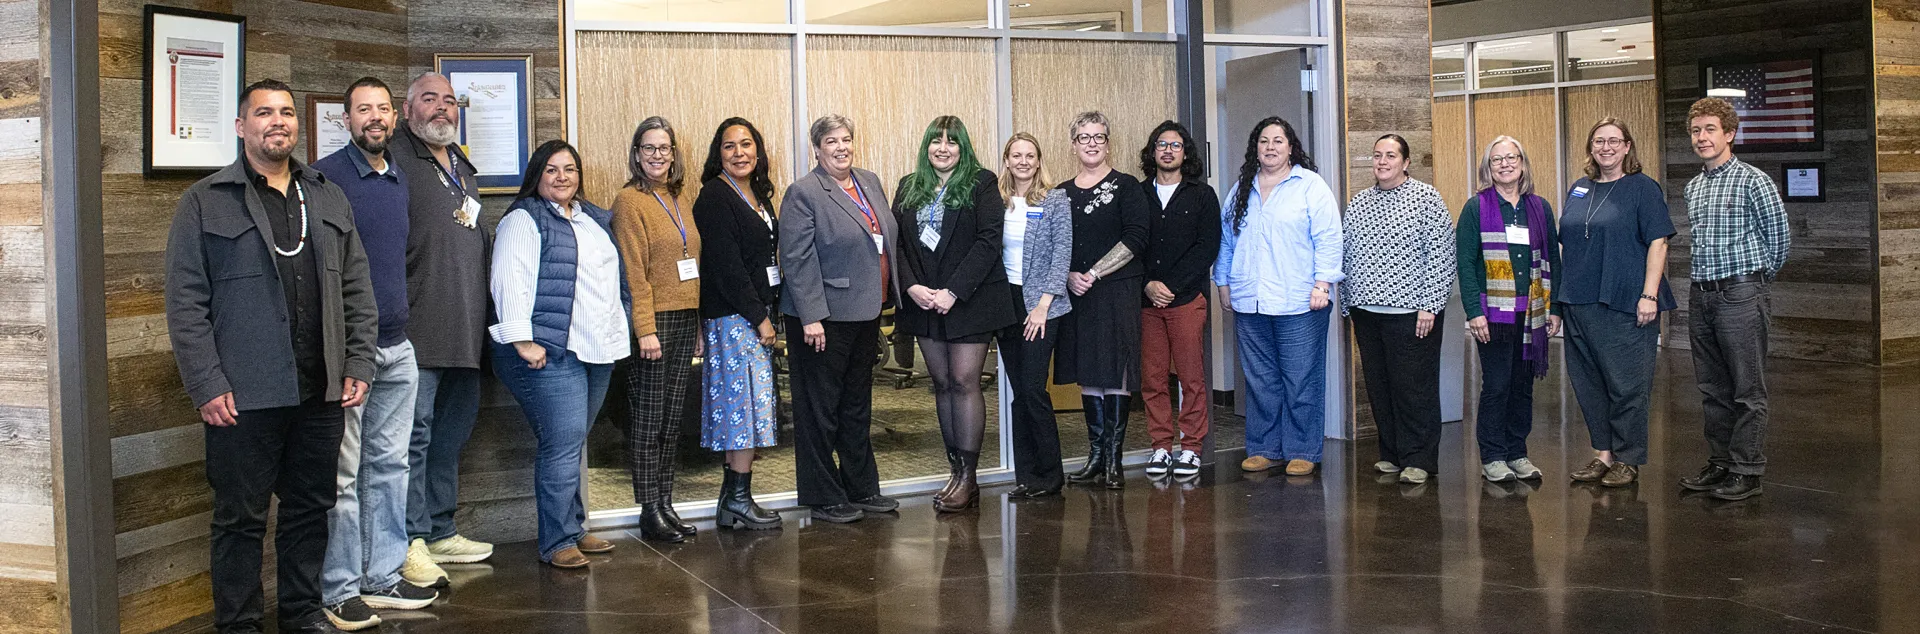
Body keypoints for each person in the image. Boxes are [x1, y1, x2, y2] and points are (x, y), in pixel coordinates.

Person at [165, 78, 378, 634]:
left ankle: (303, 611)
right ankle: (238, 624)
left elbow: (357, 287)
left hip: (321, 389)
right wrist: (206, 384)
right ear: (242, 127)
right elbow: (186, 303)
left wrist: (358, 363)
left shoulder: (328, 195)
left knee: (311, 509)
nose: (277, 121)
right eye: (263, 113)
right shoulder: (204, 201)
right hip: (243, 394)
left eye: (286, 112)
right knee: (240, 520)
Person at [311, 77, 439, 631]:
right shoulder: (325, 179)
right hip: (347, 354)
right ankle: (340, 588)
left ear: (396, 116)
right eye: (364, 110)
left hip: (398, 346)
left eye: (383, 109)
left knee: (390, 466)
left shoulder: (399, 178)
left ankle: (382, 576)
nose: (375, 118)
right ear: (346, 119)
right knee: (342, 477)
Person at [487, 140, 630, 568]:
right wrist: (521, 340)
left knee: (572, 442)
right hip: (548, 351)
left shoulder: (590, 219)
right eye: (551, 170)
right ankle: (557, 541)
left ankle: (574, 528)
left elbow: (609, 281)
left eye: (569, 169)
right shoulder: (524, 219)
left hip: (594, 347)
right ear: (537, 175)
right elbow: (508, 279)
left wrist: (619, 324)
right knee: (562, 444)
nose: (562, 177)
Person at [389, 72, 492, 584]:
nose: (441, 108)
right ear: (407, 110)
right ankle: (408, 540)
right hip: (417, 331)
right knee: (413, 437)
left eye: (449, 100)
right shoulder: (394, 161)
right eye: (429, 99)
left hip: (466, 330)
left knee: (450, 435)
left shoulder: (461, 165)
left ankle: (439, 528)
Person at [891, 116, 1018, 513]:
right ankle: (955, 471)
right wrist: (911, 287)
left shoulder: (981, 183)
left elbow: (988, 241)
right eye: (936, 141)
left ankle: (969, 477)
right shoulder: (909, 186)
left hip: (971, 300)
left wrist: (954, 291)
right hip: (924, 301)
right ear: (926, 145)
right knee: (942, 383)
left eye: (952, 142)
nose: (943, 148)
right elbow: (895, 244)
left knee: (964, 383)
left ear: (963, 147)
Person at [780, 114, 901, 523]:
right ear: (817, 148)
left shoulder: (869, 181)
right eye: (831, 141)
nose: (841, 147)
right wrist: (812, 316)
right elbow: (796, 259)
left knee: (855, 407)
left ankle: (861, 487)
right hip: (822, 319)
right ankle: (823, 495)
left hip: (865, 313)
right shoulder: (804, 192)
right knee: (820, 410)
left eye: (846, 139)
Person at [1216, 116, 1343, 477]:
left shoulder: (1310, 185)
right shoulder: (1242, 188)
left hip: (1300, 301)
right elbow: (1226, 240)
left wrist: (1323, 284)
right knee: (1260, 380)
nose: (1270, 147)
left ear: (1291, 147)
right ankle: (1265, 448)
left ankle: (1303, 449)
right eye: (1264, 141)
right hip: (1249, 299)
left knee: (1301, 379)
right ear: (1255, 148)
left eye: (1278, 141)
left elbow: (1329, 238)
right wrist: (1223, 283)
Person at [1675, 98, 1789, 501]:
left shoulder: (1752, 180)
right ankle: (1721, 462)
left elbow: (1779, 241)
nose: (1702, 137)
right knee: (1712, 387)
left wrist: (1753, 283)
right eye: (1695, 131)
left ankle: (1747, 469)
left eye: (1709, 129)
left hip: (1741, 292)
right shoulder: (1693, 187)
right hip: (1701, 294)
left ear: (1729, 133)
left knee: (1746, 388)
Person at [1559, 118, 1675, 488]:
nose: (1605, 147)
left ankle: (1628, 458)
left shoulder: (1643, 188)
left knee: (1627, 385)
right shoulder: (1580, 188)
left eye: (1613, 141)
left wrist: (1649, 294)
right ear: (1590, 147)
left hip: (1625, 301)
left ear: (1628, 147)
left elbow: (1659, 242)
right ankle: (1603, 455)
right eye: (1598, 141)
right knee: (1589, 383)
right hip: (1579, 300)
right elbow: (1569, 243)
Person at [1339, 134, 1454, 486]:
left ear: (1406, 162)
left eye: (1391, 155)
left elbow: (1441, 255)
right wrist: (1348, 304)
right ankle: (1391, 452)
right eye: (1377, 155)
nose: (1382, 161)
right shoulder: (1359, 203)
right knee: (1380, 385)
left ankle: (1419, 458)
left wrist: (1430, 305)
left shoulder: (1426, 199)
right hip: (1367, 312)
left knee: (1413, 388)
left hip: (1412, 312)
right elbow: (1345, 254)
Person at [611, 116, 702, 542]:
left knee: (671, 418)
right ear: (636, 154)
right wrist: (644, 329)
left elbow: (692, 264)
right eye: (649, 148)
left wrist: (698, 321)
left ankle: (666, 502)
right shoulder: (629, 201)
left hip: (685, 317)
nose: (658, 156)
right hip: (654, 322)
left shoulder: (680, 197)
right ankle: (648, 508)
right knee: (648, 419)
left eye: (665, 148)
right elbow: (633, 272)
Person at [693, 117, 784, 530]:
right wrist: (760, 318)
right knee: (741, 414)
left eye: (746, 144)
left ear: (758, 151)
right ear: (719, 154)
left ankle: (733, 500)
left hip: (753, 313)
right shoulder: (715, 196)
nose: (739, 153)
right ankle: (739, 501)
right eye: (729, 146)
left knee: (745, 411)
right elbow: (727, 268)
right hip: (735, 318)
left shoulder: (759, 194)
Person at [1054, 111, 1150, 490]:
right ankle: (1095, 457)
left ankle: (1114, 461)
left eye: (1099, 137)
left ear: (1109, 143)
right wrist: (1067, 276)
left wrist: (1094, 273)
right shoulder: (1060, 192)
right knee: (1089, 372)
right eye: (1084, 137)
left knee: (1116, 371)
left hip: (1117, 289)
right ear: (1073, 144)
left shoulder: (1127, 187)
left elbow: (1136, 237)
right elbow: (1053, 244)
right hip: (1076, 293)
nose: (1092, 143)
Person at [1457, 135, 1562, 483]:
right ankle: (1493, 456)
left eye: (1511, 157)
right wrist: (1474, 312)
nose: (1504, 164)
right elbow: (1466, 264)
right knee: (1497, 385)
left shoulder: (1539, 207)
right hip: (1494, 316)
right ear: (1488, 168)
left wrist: (1555, 308)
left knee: (1522, 386)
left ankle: (1517, 452)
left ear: (1522, 162)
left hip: (1532, 313)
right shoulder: (1477, 207)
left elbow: (1554, 261)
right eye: (1496, 159)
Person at [1136, 120, 1220, 479]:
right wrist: (1147, 284)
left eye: (1175, 145)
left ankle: (1190, 448)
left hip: (1186, 300)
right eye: (1161, 144)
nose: (1168, 150)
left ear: (1185, 153)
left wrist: (1168, 285)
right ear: (1152, 152)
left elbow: (1207, 247)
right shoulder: (1137, 194)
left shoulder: (1202, 195)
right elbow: (1130, 244)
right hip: (1146, 303)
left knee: (1191, 377)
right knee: (1153, 379)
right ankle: (1160, 447)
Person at [994, 132, 1073, 500]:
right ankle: (1026, 476)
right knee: (1018, 392)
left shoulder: (1055, 200)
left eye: (1030, 155)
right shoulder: (998, 201)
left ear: (1039, 161)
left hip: (1043, 306)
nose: (1023, 161)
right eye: (1016, 155)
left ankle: (1051, 475)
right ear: (1007, 160)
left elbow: (1062, 255)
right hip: (1006, 303)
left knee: (1032, 388)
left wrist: (1042, 305)